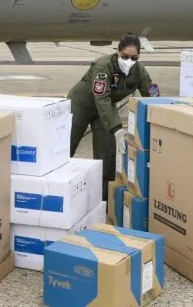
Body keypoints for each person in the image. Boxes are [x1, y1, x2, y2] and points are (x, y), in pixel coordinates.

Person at [67, 35, 160, 201]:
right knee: (67, 145)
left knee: (107, 157)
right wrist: (116, 128)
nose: (129, 61)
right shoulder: (103, 66)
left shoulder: (138, 70)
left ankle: (102, 201)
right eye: (125, 57)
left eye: (134, 58)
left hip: (106, 110)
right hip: (82, 105)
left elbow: (151, 93)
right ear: (118, 52)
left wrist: (163, 111)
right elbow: (101, 97)